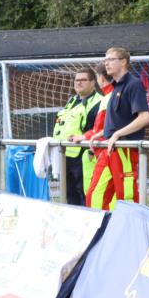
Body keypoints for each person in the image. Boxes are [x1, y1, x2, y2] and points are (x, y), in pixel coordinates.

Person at [86, 47, 149, 209]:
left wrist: (117, 135)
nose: (106, 63)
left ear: (123, 62)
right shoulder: (116, 87)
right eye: (105, 59)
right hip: (110, 148)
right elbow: (118, 120)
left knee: (127, 197)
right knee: (94, 195)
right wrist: (99, 134)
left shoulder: (134, 85)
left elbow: (144, 118)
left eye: (110, 59)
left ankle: (131, 232)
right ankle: (101, 231)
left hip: (125, 149)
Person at [54, 69, 103, 205]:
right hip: (67, 155)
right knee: (69, 194)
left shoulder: (99, 102)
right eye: (76, 80)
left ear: (93, 82)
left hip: (86, 156)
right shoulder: (73, 100)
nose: (78, 83)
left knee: (84, 193)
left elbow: (98, 129)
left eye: (83, 80)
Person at [83, 64, 115, 209]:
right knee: (113, 196)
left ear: (101, 78)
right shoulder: (112, 95)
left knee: (95, 195)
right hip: (105, 151)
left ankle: (99, 228)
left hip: (107, 152)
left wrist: (89, 136)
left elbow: (102, 128)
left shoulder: (109, 97)